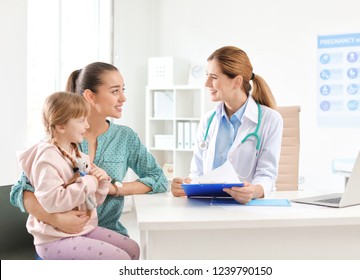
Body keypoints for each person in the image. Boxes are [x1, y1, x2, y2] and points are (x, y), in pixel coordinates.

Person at [10, 62, 168, 257]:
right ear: (90, 96)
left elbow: (158, 178)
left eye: (123, 90)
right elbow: (20, 192)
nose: (123, 98)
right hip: (59, 236)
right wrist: (57, 219)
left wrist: (115, 188)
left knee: (133, 251)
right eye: (115, 91)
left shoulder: (125, 138)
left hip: (105, 232)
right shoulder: (60, 141)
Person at [18, 91, 136, 259]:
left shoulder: (77, 154)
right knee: (121, 258)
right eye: (81, 121)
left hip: (82, 229)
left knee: (133, 249)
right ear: (61, 126)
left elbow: (91, 201)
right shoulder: (46, 158)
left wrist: (101, 181)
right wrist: (89, 182)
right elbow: (53, 202)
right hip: (53, 238)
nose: (87, 126)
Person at [171, 46, 283, 204]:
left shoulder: (270, 119)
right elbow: (197, 172)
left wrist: (253, 191)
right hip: (209, 206)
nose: (206, 83)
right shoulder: (207, 120)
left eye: (214, 77)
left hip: (249, 209)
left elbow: (267, 175)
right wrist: (185, 185)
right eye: (206, 75)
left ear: (236, 82)